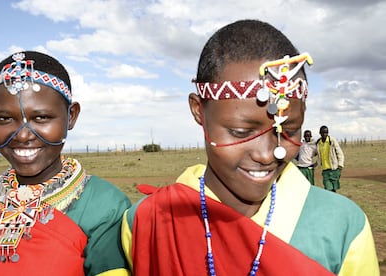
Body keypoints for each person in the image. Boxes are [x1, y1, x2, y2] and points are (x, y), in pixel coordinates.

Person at [121, 19, 379, 275]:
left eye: (288, 131)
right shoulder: (146, 221)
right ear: (199, 110)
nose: (269, 154)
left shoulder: (343, 227)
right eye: (241, 132)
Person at [0, 51, 132, 275]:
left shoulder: (104, 207)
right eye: (3, 119)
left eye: (42, 118)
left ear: (71, 116)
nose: (22, 135)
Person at [316, 125, 345, 192]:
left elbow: (340, 153)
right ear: (320, 133)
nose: (324, 134)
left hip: (334, 169)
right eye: (322, 133)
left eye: (326, 132)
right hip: (325, 170)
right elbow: (318, 155)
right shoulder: (318, 143)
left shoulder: (332, 141)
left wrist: (340, 166)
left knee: (334, 189)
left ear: (328, 133)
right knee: (328, 188)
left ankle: (333, 202)